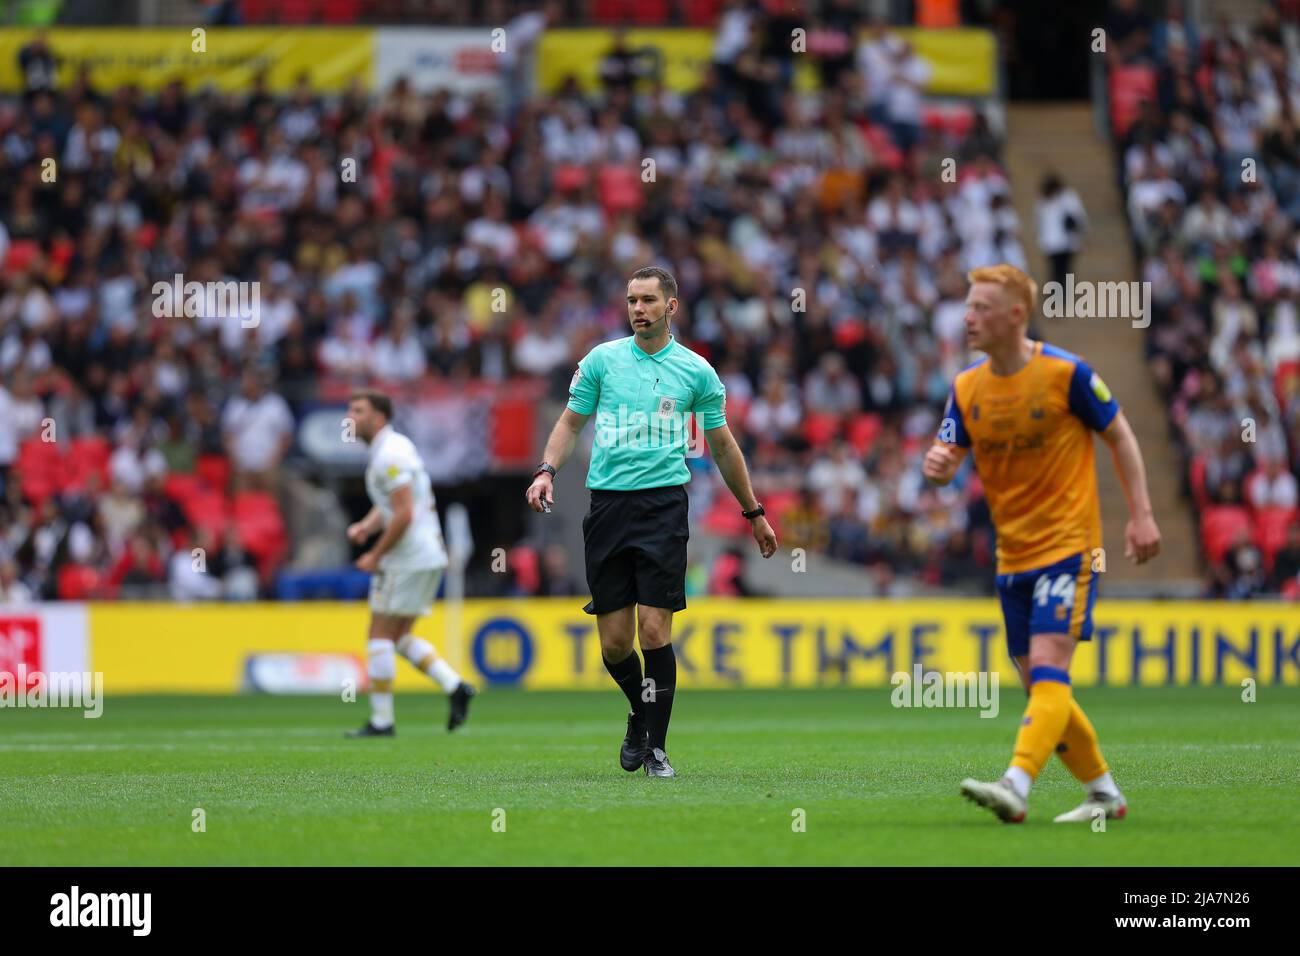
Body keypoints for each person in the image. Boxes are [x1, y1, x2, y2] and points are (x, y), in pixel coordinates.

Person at [923, 264, 1161, 823]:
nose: (968, 316)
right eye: (968, 305)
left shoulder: (1068, 374)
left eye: (981, 307)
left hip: (1070, 546)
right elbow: (946, 459)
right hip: (1013, 557)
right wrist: (936, 469)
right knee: (1041, 684)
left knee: (1052, 667)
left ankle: (1017, 783)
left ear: (1015, 315)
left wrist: (1142, 515)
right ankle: (1103, 792)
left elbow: (1120, 435)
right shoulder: (967, 387)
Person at [525, 266, 777, 778]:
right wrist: (547, 470)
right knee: (615, 644)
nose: (637, 308)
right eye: (631, 300)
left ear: (671, 306)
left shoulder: (696, 372)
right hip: (608, 507)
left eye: (647, 300)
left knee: (654, 629)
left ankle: (658, 747)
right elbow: (571, 422)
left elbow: (723, 446)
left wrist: (754, 512)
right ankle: (639, 717)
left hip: (663, 507)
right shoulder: (602, 361)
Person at [344, 390, 474, 737]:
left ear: (379, 417)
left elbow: (403, 513)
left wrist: (375, 554)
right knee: (400, 636)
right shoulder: (395, 447)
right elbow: (393, 505)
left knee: (379, 634)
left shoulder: (389, 454)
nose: (350, 418)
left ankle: (382, 721)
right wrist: (366, 527)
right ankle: (455, 686)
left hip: (408, 555)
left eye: (358, 411)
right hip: (427, 553)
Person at [1035, 173, 1088, 290]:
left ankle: (1063, 296)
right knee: (1057, 271)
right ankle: (1056, 297)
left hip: (1065, 242)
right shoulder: (1044, 201)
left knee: (1064, 271)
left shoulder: (1067, 197)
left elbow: (1078, 217)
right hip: (1054, 243)